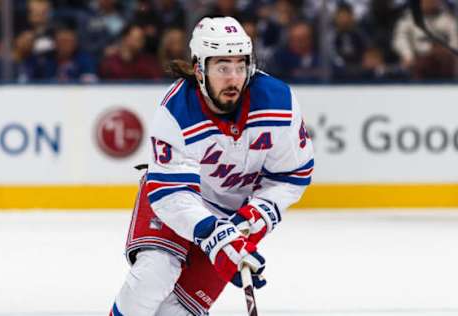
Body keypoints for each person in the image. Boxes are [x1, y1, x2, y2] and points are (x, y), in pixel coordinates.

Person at [110, 16, 314, 316]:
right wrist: (213, 234)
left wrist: (251, 220)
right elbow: (173, 194)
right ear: (199, 69)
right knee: (152, 277)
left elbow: (292, 176)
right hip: (173, 205)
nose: (233, 78)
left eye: (240, 66)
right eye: (222, 67)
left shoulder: (278, 102)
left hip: (231, 215)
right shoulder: (177, 110)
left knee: (176, 312)